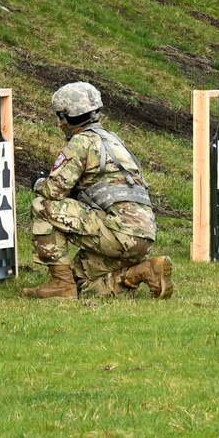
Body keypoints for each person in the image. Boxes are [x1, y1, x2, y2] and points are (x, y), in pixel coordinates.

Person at [23, 81, 172, 300]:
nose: (58, 125)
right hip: (142, 238)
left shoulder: (81, 143)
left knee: (43, 206)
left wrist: (37, 182)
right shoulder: (115, 141)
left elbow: (53, 192)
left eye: (59, 118)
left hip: (118, 232)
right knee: (82, 283)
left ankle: (60, 284)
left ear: (66, 118)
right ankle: (141, 271)